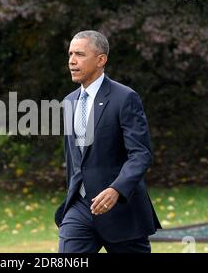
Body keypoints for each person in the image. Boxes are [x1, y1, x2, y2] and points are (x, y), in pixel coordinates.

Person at [55, 30, 161, 253]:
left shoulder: (125, 98)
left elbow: (140, 154)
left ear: (101, 59)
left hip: (121, 209)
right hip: (80, 208)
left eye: (80, 54)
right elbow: (74, 159)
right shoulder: (69, 102)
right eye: (70, 54)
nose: (72, 61)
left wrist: (116, 189)